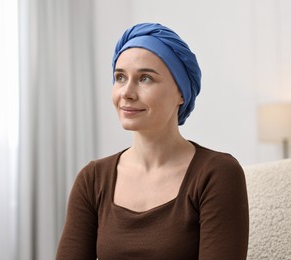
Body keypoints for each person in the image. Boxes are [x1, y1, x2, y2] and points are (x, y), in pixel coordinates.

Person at [56, 22, 249, 259]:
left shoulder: (217, 174)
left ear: (181, 92)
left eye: (145, 78)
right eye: (119, 77)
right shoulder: (93, 179)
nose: (126, 92)